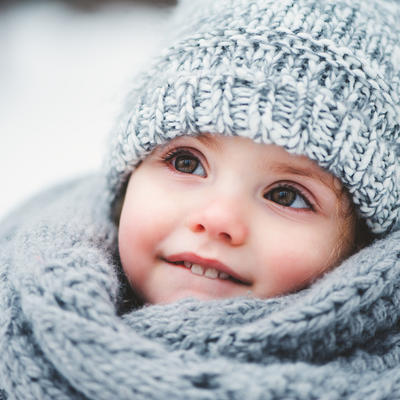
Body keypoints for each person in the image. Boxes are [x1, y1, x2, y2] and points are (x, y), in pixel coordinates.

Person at [1, 0, 399, 398]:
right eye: (187, 163)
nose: (217, 218)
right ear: (127, 180)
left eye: (286, 195)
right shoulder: (19, 301)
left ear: (360, 247)